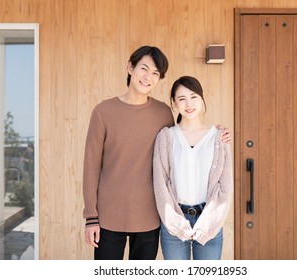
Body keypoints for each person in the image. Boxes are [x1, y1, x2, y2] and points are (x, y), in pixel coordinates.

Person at [82, 46, 230, 260]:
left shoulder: (162, 113)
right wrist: (91, 217)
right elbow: (91, 168)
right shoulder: (103, 112)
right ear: (130, 68)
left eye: (155, 73)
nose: (148, 77)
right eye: (144, 69)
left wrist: (220, 135)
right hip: (108, 217)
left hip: (149, 217)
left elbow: (183, 141)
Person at [153, 76, 233, 260]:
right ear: (174, 104)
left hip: (209, 220)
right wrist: (176, 223)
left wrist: (209, 223)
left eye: (193, 96)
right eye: (181, 99)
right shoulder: (166, 137)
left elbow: (225, 187)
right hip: (174, 220)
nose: (188, 103)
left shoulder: (219, 137)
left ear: (202, 99)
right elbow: (160, 184)